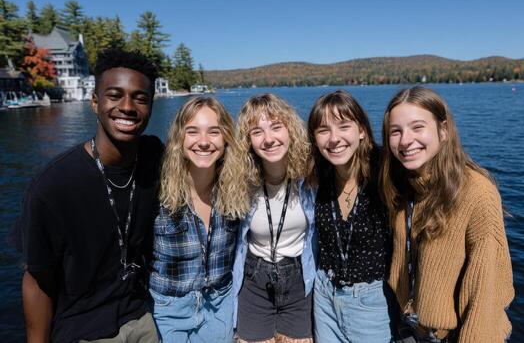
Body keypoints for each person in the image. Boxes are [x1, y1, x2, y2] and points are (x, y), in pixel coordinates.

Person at [17, 48, 163, 342]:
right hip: (83, 330)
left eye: (140, 98)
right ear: (95, 102)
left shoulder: (154, 157)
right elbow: (36, 281)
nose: (127, 106)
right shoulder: (53, 186)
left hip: (142, 318)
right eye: (114, 95)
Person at [380, 86, 514, 342]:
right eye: (396, 131)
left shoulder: (476, 192)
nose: (406, 140)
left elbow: (484, 292)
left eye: (418, 127)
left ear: (443, 131)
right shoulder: (405, 184)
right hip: (408, 327)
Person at [148, 96, 243, 342]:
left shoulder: (238, 189)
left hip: (219, 304)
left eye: (214, 132)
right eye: (192, 132)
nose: (203, 142)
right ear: (180, 137)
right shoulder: (156, 191)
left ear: (226, 138)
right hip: (168, 308)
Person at [307, 90, 394, 343]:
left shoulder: (385, 171)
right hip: (324, 295)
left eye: (344, 126)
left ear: (362, 130)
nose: (334, 139)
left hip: (371, 303)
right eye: (323, 130)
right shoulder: (318, 174)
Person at [232, 93, 317, 343]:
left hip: (299, 278)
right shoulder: (240, 181)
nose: (268, 139)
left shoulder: (311, 177)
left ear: (291, 130)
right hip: (254, 280)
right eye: (257, 132)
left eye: (276, 127)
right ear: (248, 141)